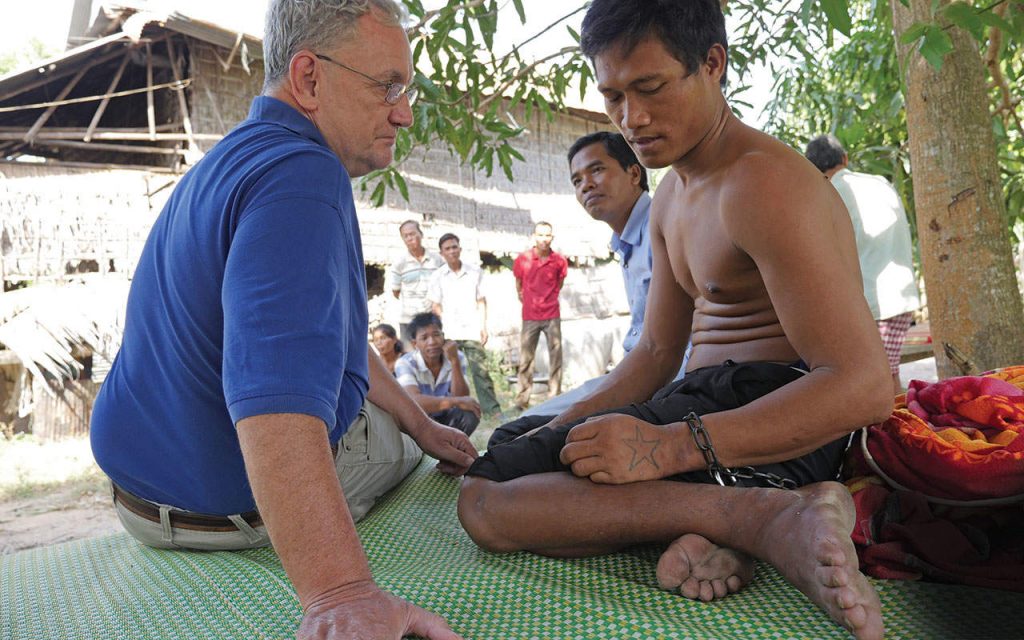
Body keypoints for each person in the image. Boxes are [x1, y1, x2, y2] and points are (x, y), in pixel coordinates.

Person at [457, 2, 891, 640]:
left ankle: (757, 519)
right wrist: (563, 421)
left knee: (487, 503)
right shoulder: (671, 199)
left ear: (712, 64)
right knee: (508, 450)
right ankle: (739, 518)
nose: (631, 119)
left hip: (772, 415)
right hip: (698, 406)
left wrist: (668, 448)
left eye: (650, 88)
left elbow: (864, 385)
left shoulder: (766, 184)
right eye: (613, 97)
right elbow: (658, 351)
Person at [90, 2, 474, 638]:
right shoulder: (303, 176)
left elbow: (330, 342)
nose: (403, 111)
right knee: (391, 440)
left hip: (135, 497)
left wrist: (418, 417)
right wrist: (341, 595)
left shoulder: (227, 163)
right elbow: (275, 404)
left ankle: (421, 422)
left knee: (414, 422)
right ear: (309, 79)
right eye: (388, 86)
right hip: (220, 509)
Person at [520, 131, 691, 420]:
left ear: (634, 173)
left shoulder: (660, 230)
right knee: (522, 428)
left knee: (527, 435)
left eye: (596, 170)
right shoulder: (626, 244)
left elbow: (671, 350)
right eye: (576, 180)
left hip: (670, 383)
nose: (586, 184)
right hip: (638, 374)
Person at [805, 134, 921, 395]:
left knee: (875, 385)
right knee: (887, 376)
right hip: (900, 299)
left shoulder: (830, 192)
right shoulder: (880, 182)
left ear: (812, 169)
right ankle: (903, 430)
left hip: (872, 305)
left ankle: (897, 434)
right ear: (845, 159)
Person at [428, 233, 502, 416]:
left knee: (481, 372)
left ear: (460, 249)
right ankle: (454, 409)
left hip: (471, 330)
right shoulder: (437, 276)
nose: (452, 251)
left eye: (454, 247)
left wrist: (483, 326)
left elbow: (481, 301)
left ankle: (492, 410)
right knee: (449, 372)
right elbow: (435, 306)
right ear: (441, 253)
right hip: (449, 332)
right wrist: (441, 332)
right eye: (447, 248)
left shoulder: (475, 272)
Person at [396, 312, 481, 436]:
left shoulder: (457, 357)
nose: (432, 342)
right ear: (415, 344)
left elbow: (461, 395)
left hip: (447, 416)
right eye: (424, 338)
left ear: (443, 337)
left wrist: (454, 361)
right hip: (421, 419)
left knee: (469, 413)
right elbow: (414, 401)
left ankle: (453, 448)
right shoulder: (405, 363)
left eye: (436, 335)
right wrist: (455, 402)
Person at [512, 222, 569, 410]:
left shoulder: (559, 261)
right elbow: (518, 286)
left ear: (552, 237)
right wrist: (530, 300)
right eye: (540, 235)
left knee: (556, 356)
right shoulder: (522, 260)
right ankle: (522, 400)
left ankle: (554, 396)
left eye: (547, 235)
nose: (544, 239)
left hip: (552, 313)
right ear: (534, 236)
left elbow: (559, 283)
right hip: (530, 315)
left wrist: (548, 298)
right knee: (526, 358)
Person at [388, 220, 444, 341]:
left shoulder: (437, 260)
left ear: (421, 234)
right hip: (408, 320)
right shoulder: (399, 263)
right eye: (405, 236)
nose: (409, 238)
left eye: (412, 234)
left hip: (432, 319)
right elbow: (396, 292)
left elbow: (445, 286)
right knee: (410, 358)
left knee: (434, 357)